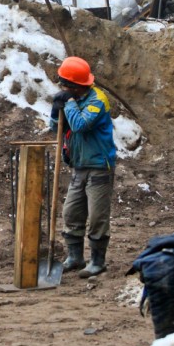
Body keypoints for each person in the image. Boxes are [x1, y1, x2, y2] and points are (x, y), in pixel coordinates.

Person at [50, 56, 117, 278]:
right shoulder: (74, 99)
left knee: (97, 216)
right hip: (79, 165)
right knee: (71, 212)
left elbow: (80, 125)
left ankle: (98, 261)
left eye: (65, 85)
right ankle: (75, 257)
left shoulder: (98, 100)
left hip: (99, 165)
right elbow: (56, 129)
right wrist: (55, 110)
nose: (63, 89)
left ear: (75, 86)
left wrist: (68, 104)